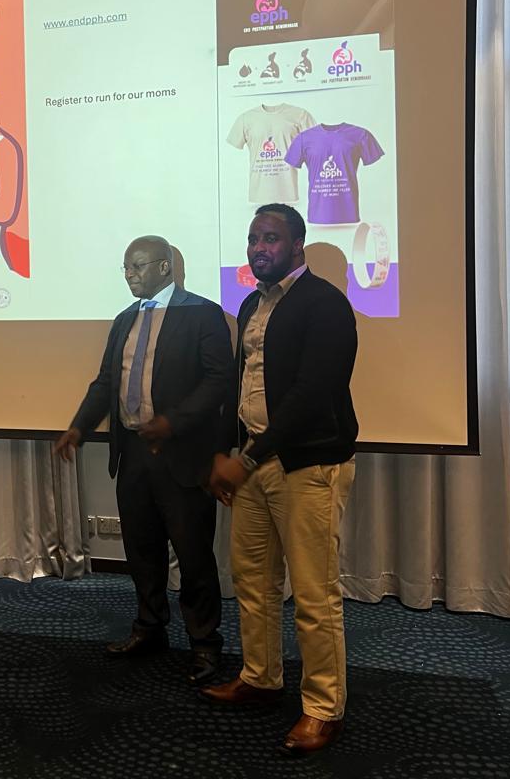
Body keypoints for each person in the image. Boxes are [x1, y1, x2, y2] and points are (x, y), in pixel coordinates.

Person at [202, 203, 358, 755]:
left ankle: (323, 709)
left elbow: (311, 395)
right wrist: (229, 450)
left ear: (297, 245)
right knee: (252, 580)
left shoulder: (325, 304)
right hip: (254, 460)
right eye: (252, 239)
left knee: (314, 594)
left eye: (270, 239)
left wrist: (247, 459)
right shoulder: (250, 305)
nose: (258, 248)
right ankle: (261, 677)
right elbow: (242, 385)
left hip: (308, 464)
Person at [54, 236, 232, 685]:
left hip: (182, 454)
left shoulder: (203, 314)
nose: (130, 275)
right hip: (133, 453)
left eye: (137, 266)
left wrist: (173, 422)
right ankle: (150, 628)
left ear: (164, 267)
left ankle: (205, 643)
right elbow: (105, 382)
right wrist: (78, 427)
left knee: (193, 555)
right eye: (126, 268)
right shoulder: (124, 320)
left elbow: (219, 382)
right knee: (142, 550)